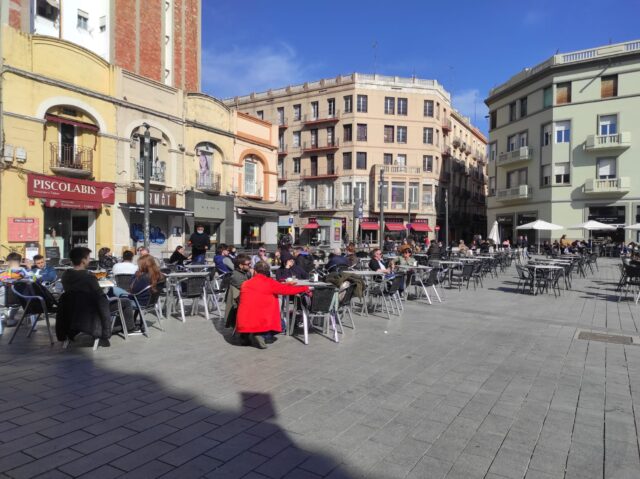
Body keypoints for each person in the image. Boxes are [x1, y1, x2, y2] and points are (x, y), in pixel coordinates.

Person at [236, 261, 310, 349]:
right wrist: (304, 288)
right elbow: (286, 290)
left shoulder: (245, 283)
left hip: (243, 321)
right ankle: (262, 335)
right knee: (283, 325)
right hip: (261, 321)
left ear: (255, 271)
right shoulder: (269, 282)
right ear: (267, 272)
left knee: (249, 314)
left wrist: (286, 284)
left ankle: (245, 337)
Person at [61, 247, 135, 334]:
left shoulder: (65, 276)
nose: (89, 260)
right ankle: (130, 328)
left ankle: (119, 325)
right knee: (126, 301)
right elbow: (100, 298)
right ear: (83, 260)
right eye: (88, 258)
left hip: (74, 309)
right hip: (92, 309)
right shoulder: (88, 277)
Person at [224, 254, 252, 329]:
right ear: (240, 265)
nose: (250, 266)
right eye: (248, 264)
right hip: (239, 303)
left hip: (244, 300)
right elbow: (248, 289)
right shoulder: (236, 276)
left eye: (250, 264)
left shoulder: (245, 272)